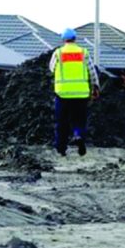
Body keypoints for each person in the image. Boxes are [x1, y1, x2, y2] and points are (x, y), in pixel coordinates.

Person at [48, 28, 100, 156]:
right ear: (75, 39)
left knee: (62, 122)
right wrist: (95, 87)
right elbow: (92, 71)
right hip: (81, 94)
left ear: (63, 39)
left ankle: (61, 148)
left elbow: (52, 68)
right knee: (79, 120)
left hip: (63, 94)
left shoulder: (58, 53)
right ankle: (78, 135)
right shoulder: (83, 52)